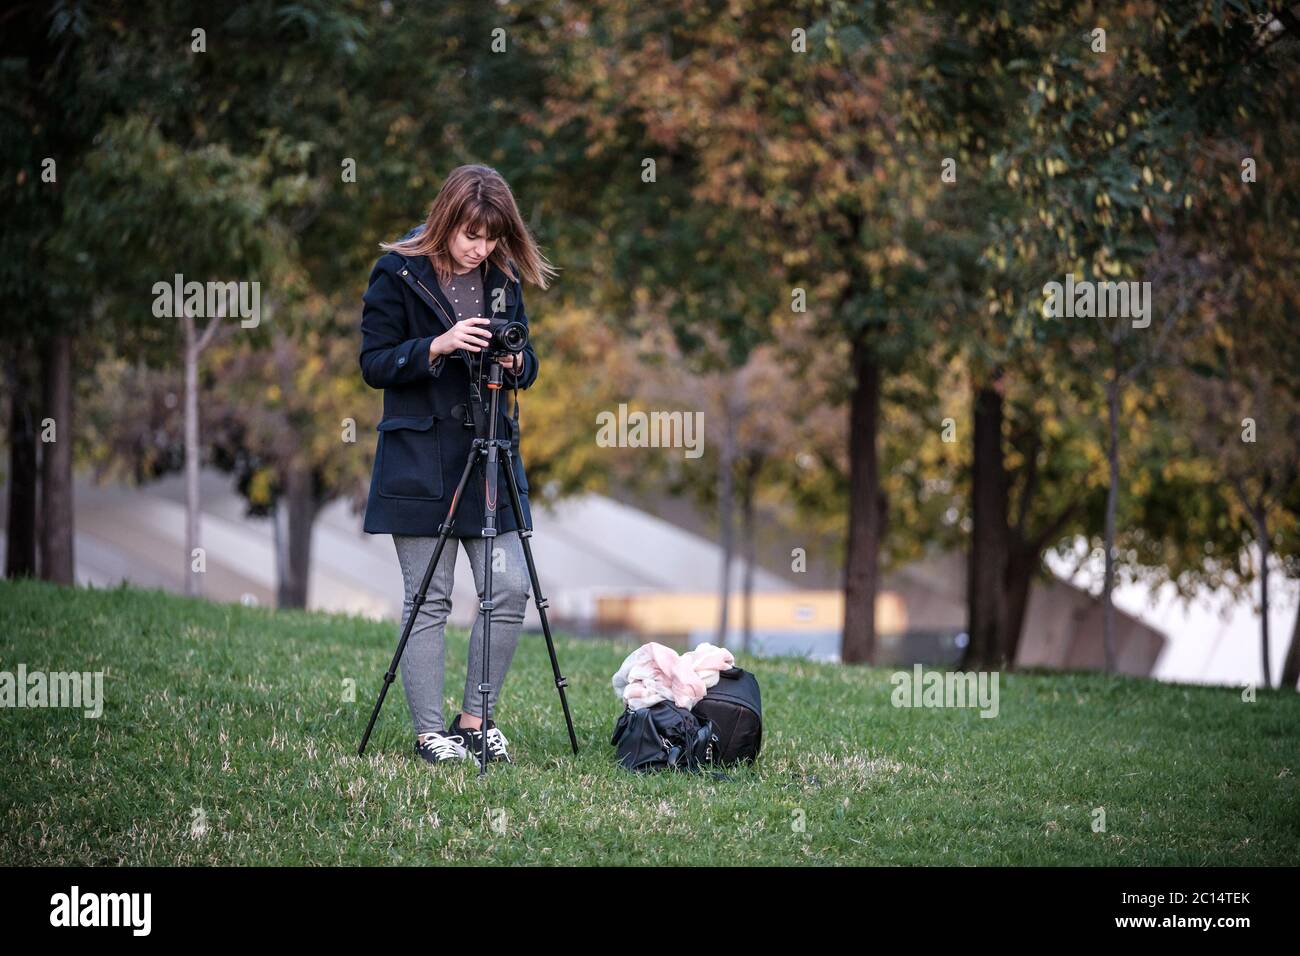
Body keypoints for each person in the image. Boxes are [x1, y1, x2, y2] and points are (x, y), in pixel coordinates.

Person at [359, 164, 558, 765]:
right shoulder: (396, 270)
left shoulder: (500, 275)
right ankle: (429, 735)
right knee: (429, 599)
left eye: (492, 237)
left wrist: (520, 365)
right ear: (446, 219)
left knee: (511, 589)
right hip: (419, 458)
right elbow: (374, 363)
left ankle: (475, 720)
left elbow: (524, 350)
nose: (481, 248)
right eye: (472, 235)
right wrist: (436, 348)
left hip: (490, 457)